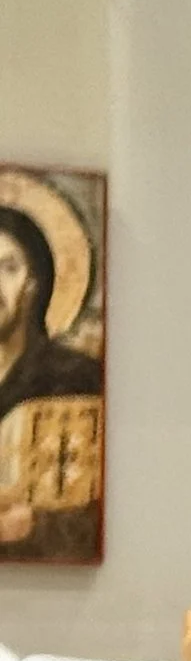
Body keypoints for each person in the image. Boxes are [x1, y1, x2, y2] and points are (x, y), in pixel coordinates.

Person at [0, 201, 104, 558]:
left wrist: (36, 524)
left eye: (8, 268)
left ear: (31, 283)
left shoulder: (77, 378)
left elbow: (101, 513)